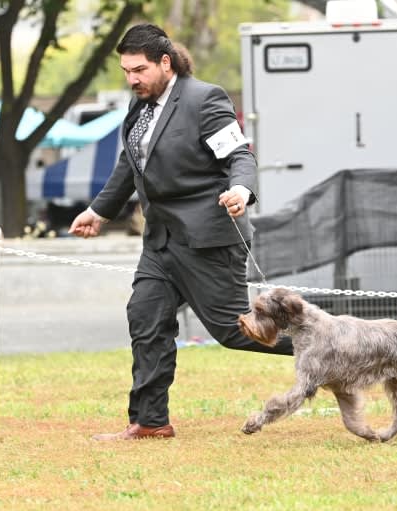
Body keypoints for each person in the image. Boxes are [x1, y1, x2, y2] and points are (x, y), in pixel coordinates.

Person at [68, 24, 293, 441]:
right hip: (160, 242)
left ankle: (339, 346)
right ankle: (151, 421)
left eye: (139, 69)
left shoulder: (204, 99)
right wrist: (99, 211)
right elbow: (129, 166)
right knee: (146, 318)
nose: (132, 78)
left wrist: (240, 189)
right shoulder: (140, 107)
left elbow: (239, 155)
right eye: (126, 71)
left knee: (236, 332)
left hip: (208, 240)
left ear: (165, 63)